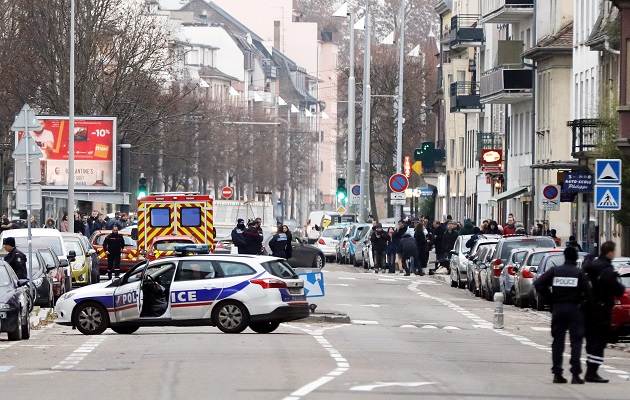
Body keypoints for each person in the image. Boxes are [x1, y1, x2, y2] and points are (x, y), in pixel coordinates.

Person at [534, 247, 592, 384]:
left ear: (564, 257)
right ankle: (576, 374)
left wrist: (550, 300)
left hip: (558, 308)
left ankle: (557, 373)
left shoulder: (555, 271)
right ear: (576, 258)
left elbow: (538, 284)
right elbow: (589, 293)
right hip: (574, 309)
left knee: (558, 342)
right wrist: (586, 308)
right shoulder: (579, 273)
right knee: (576, 342)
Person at [582, 241, 626, 383]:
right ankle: (592, 371)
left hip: (588, 308)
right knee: (600, 340)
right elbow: (618, 290)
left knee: (591, 339)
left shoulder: (590, 265)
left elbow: (585, 268)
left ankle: (590, 368)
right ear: (610, 252)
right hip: (602, 309)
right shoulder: (607, 269)